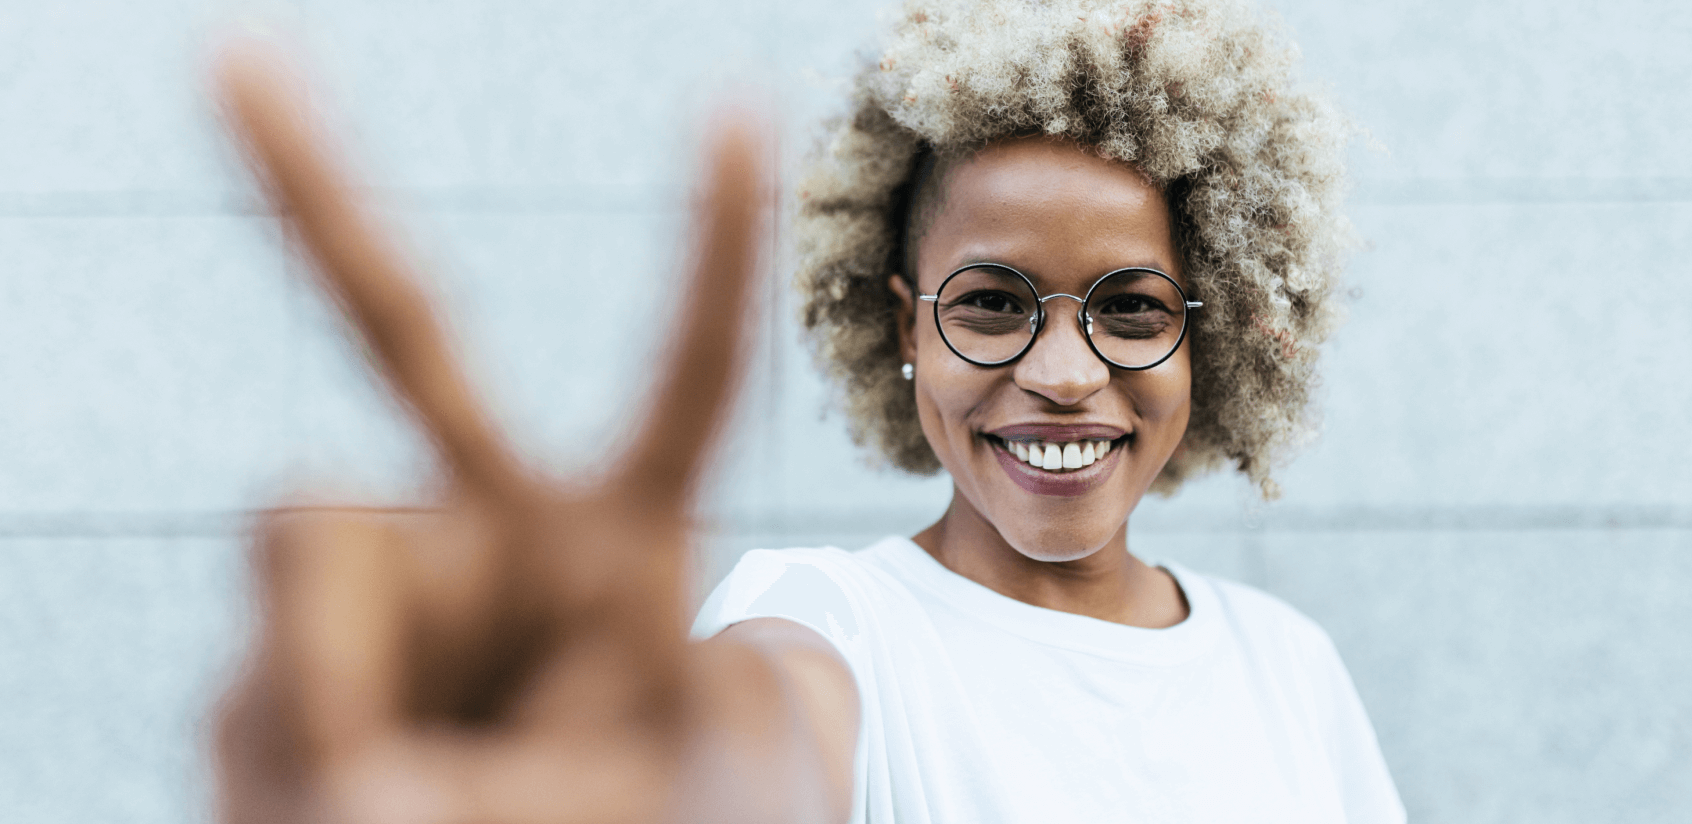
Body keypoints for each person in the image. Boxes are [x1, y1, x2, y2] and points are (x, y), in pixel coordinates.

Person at [213, 1, 1403, 823]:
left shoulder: (1288, 665)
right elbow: (756, 739)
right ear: (898, 328)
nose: (1064, 370)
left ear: (1211, 332)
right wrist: (642, 768)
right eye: (990, 303)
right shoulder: (831, 622)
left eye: (1132, 310)